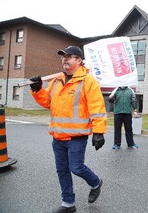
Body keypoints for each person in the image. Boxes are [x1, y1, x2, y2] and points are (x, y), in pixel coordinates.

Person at [29, 46, 107, 213]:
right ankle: (68, 203)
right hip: (58, 136)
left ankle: (95, 182)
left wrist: (99, 132)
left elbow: (97, 107)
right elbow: (46, 102)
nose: (65, 59)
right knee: (62, 169)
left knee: (76, 167)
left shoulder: (88, 81)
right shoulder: (56, 80)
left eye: (69, 56)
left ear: (79, 60)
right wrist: (37, 89)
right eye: (63, 56)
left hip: (76, 136)